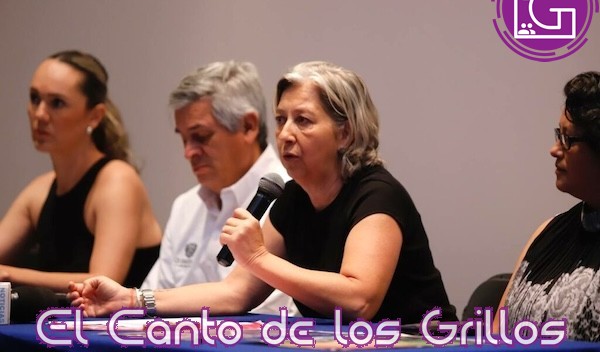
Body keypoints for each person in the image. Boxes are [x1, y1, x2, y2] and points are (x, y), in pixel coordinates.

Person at [69, 61, 457, 324]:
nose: (285, 134)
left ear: (345, 133)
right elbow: (234, 294)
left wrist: (257, 256)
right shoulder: (294, 199)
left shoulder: (377, 195)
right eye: (282, 119)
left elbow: (359, 300)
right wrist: (132, 299)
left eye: (303, 120)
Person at [141, 60, 296, 315]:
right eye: (183, 138)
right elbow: (154, 296)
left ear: (248, 126)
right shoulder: (186, 206)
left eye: (200, 136)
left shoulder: (293, 202)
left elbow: (268, 313)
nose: (188, 152)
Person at [0, 50, 162, 291]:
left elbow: (103, 281)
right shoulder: (40, 190)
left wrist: (9, 274)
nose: (40, 114)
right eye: (34, 99)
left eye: (57, 103)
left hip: (122, 317)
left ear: (95, 116)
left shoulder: (117, 181)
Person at [493, 71, 600, 341]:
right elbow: (496, 335)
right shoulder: (547, 232)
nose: (554, 150)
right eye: (557, 135)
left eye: (567, 139)